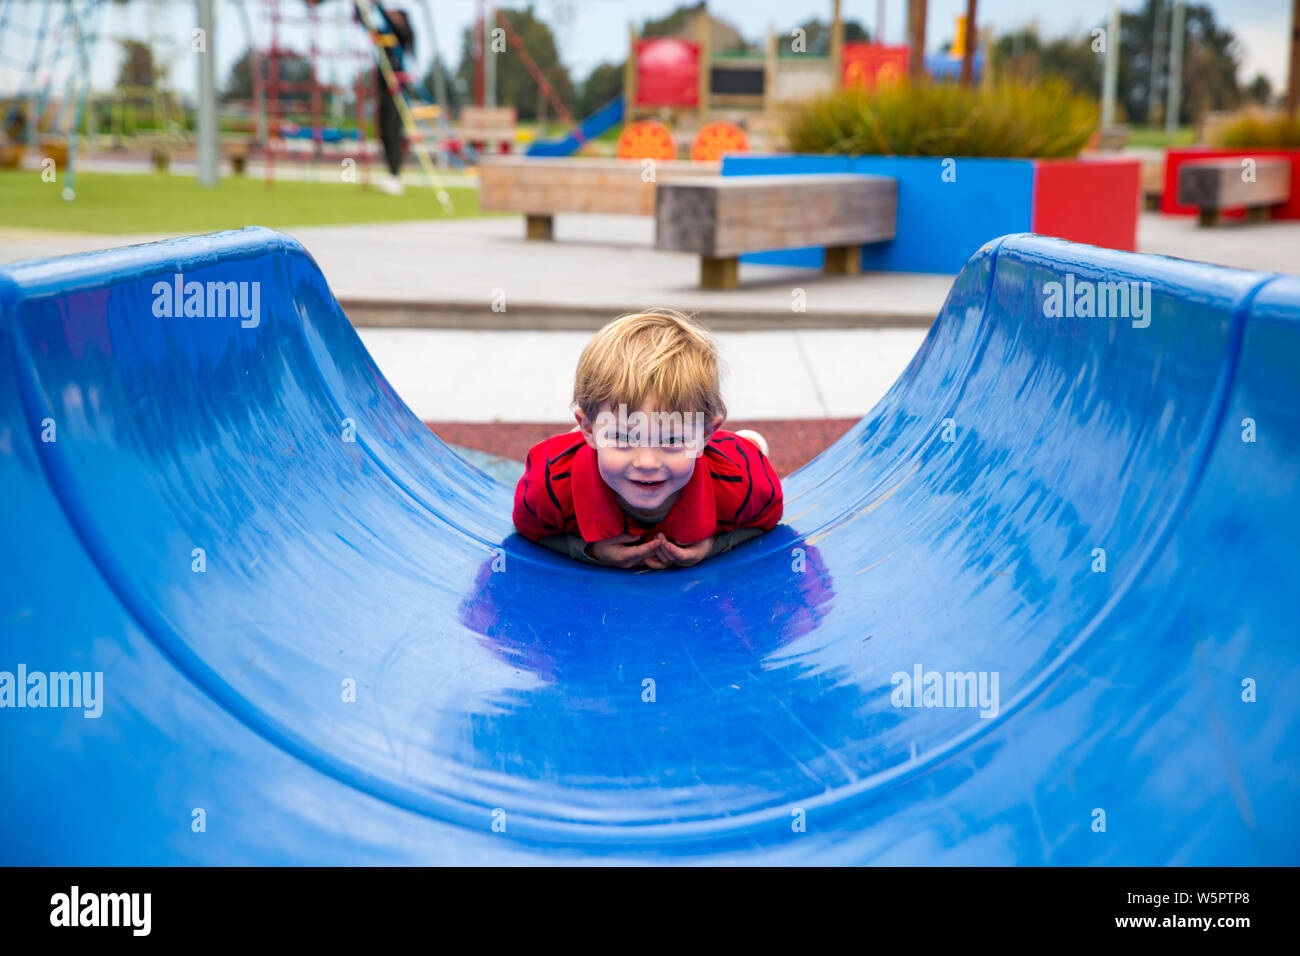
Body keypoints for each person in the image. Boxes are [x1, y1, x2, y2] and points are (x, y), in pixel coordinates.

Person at [513, 310, 783, 569]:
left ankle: (745, 442)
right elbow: (527, 529)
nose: (647, 462)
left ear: (704, 436)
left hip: (723, 455)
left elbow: (769, 518)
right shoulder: (549, 485)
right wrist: (589, 550)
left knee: (747, 450)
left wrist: (712, 545)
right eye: (623, 437)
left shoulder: (743, 480)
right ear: (587, 428)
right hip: (583, 451)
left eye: (671, 440)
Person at [361, 2, 414, 196]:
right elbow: (365, 23)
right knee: (383, 133)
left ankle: (395, 175)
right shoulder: (384, 36)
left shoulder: (401, 34)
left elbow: (391, 24)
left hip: (397, 90)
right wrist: (360, 6)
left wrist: (378, 5)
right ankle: (391, 175)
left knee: (393, 132)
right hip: (383, 89)